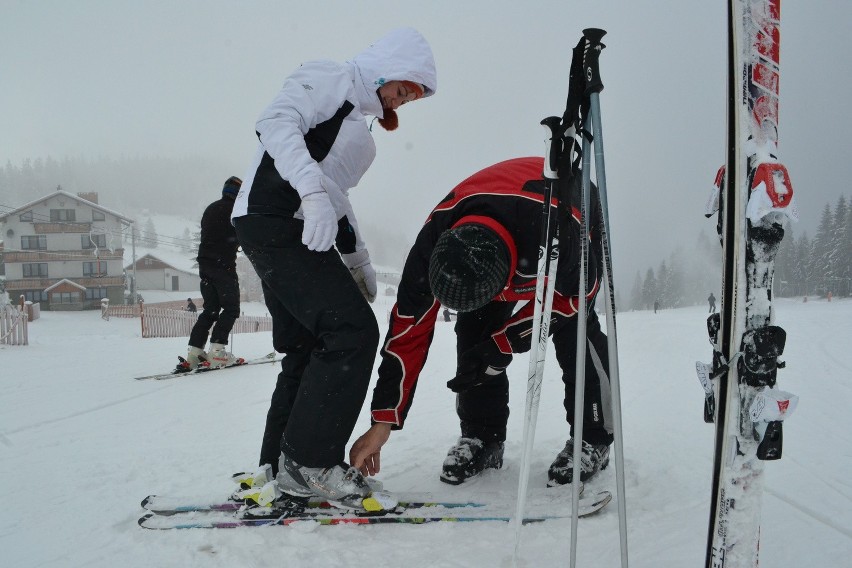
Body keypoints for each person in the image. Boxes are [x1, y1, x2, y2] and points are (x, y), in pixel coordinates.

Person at [231, 27, 437, 510]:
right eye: (405, 87)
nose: (404, 100)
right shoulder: (331, 78)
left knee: (304, 348)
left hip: (295, 226)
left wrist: (358, 260)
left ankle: (277, 467)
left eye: (414, 97)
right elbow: (275, 121)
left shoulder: (359, 132)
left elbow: (337, 199)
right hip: (275, 217)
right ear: (387, 68)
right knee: (352, 332)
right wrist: (308, 192)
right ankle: (312, 465)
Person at [350, 157, 613, 488]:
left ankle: (594, 436)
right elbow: (407, 333)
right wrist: (383, 419)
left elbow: (577, 296)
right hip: (492, 226)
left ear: (507, 281)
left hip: (565, 212)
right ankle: (483, 436)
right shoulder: (431, 247)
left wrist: (505, 342)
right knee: (475, 337)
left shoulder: (561, 233)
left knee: (575, 331)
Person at [186, 176, 242, 369]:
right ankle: (217, 352)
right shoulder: (236, 211)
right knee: (231, 308)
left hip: (205, 265)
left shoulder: (211, 208)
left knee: (210, 310)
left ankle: (194, 353)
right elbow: (244, 235)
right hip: (223, 267)